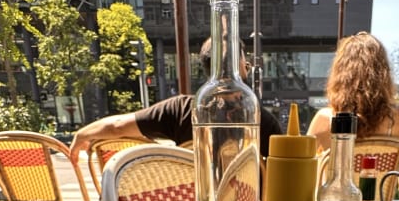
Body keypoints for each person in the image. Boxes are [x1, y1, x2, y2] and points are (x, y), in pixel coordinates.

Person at [70, 38, 282, 163]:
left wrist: (83, 133)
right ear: (244, 69)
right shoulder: (261, 119)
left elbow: (117, 127)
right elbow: (279, 179)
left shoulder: (180, 109)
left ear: (206, 70)